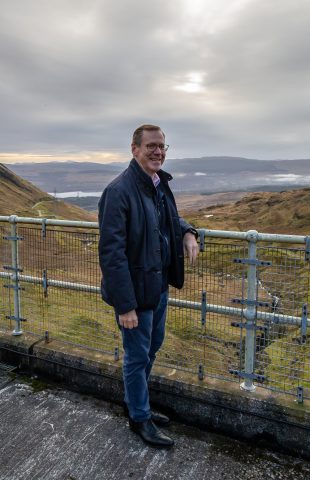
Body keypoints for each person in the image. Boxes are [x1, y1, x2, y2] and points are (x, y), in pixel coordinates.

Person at [98, 124, 199, 447]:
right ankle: (139, 418)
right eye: (152, 146)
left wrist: (188, 231)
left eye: (163, 147)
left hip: (158, 287)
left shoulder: (157, 184)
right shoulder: (119, 191)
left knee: (151, 349)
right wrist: (124, 305)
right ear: (134, 149)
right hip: (136, 294)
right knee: (137, 356)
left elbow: (170, 218)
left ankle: (137, 403)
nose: (158, 151)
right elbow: (111, 255)